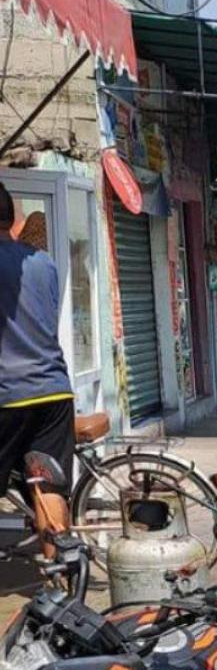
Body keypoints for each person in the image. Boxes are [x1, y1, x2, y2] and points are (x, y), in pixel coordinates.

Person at [0, 182, 74, 557]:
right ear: (12, 218)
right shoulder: (43, 263)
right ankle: (60, 583)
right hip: (55, 391)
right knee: (47, 487)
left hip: (9, 396)